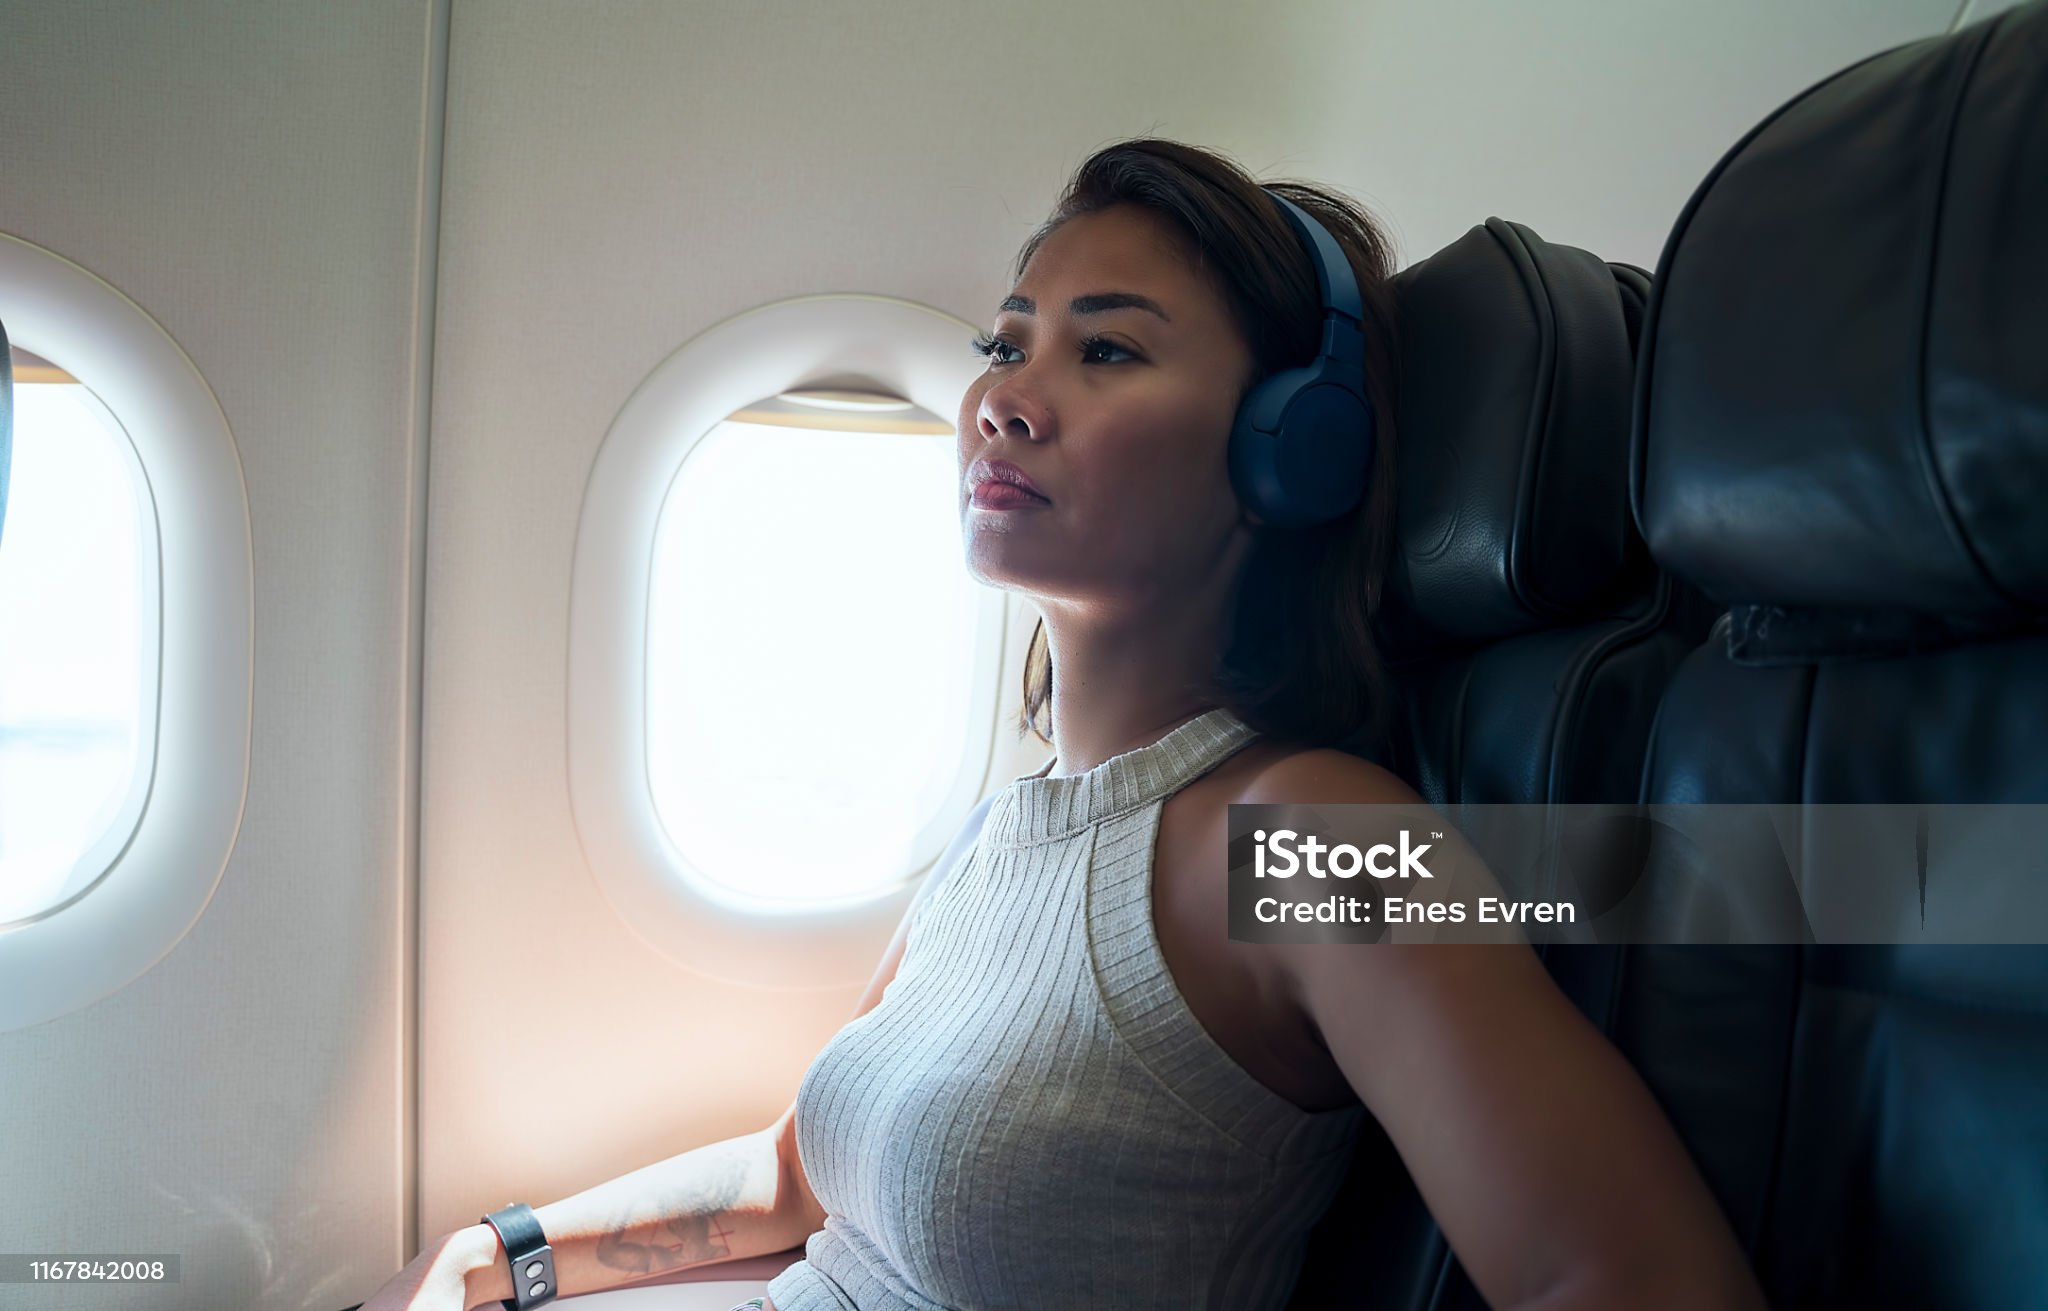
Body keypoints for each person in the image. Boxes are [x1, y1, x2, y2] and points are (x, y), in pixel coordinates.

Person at [356, 137, 1767, 1311]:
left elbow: (1629, 1281)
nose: (1004, 402)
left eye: (1106, 352)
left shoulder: (1306, 837)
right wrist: (498, 1256)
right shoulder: (1002, 835)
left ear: (1291, 451)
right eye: (1004, 342)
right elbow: (797, 1180)